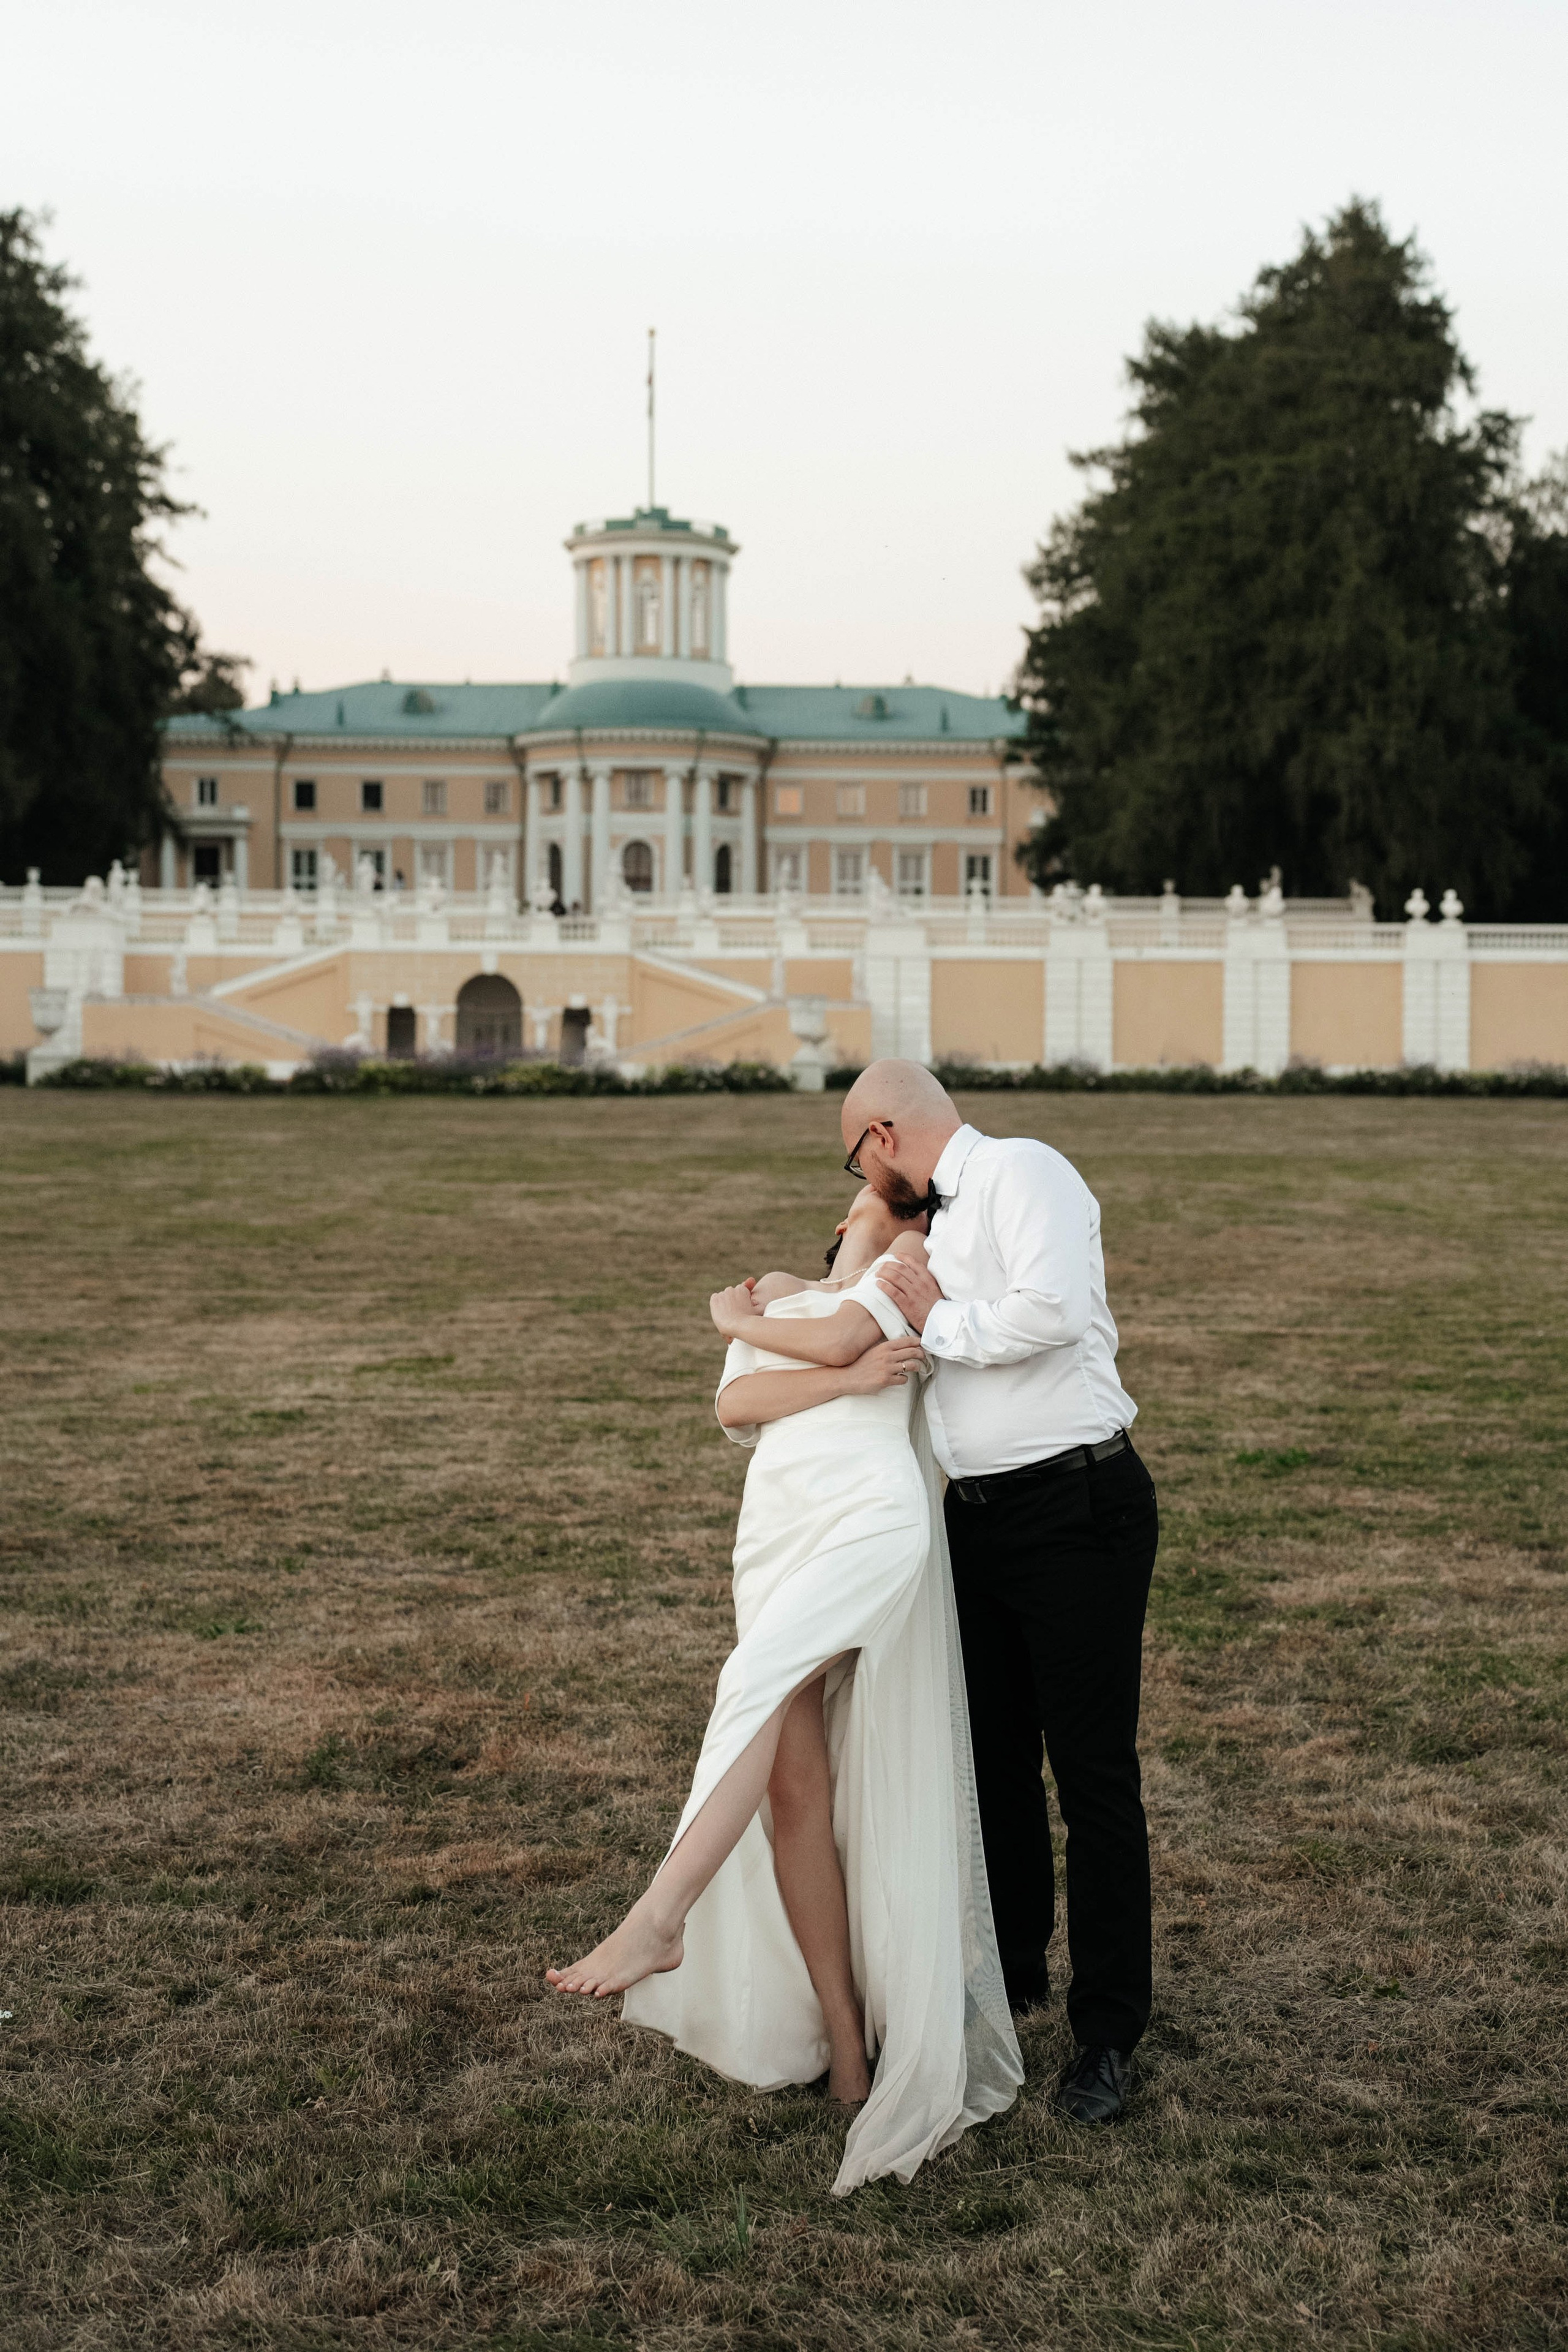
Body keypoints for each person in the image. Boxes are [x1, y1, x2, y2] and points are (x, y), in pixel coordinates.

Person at [546, 1186, 1022, 2194]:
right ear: (843, 1216)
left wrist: (741, 1324)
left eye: (921, 1209)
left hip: (866, 1516)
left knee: (755, 1688)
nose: (902, 1213)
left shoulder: (907, 1281)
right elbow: (737, 1407)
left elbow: (846, 1334)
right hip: (773, 1534)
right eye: (883, 1201)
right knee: (793, 1796)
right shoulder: (774, 1294)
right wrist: (833, 1372)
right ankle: (846, 2050)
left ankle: (664, 1913)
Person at [840, 1059, 1159, 2127]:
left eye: (853, 1159)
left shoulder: (1026, 1171)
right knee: (997, 1763)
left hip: (1078, 1508)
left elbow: (1051, 1314)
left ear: (883, 1133)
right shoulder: (922, 1230)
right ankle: (1017, 1972)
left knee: (1093, 1773)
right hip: (975, 1520)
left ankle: (1108, 2030)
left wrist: (938, 1323)